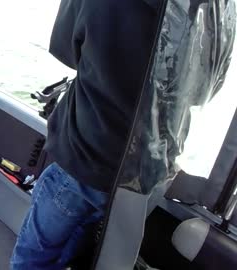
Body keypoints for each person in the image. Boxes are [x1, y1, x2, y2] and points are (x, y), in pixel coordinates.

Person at [10, 0, 161, 269]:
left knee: (34, 257)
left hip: (87, 157)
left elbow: (65, 48)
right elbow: (203, 90)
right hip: (148, 172)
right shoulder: (211, 10)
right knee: (77, 250)